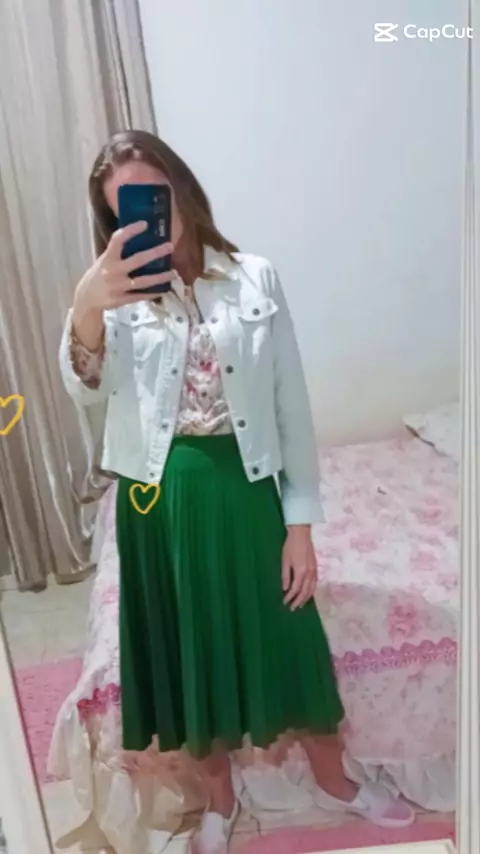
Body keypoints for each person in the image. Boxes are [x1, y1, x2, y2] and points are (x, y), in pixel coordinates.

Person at [59, 130, 414, 853]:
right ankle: (219, 802)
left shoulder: (255, 278)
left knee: (291, 638)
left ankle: (335, 779)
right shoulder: (112, 298)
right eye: (126, 208)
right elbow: (85, 388)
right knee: (192, 657)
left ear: (181, 187)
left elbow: (290, 407)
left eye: (153, 193)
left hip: (246, 485)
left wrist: (300, 525)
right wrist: (86, 303)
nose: (146, 214)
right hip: (157, 503)